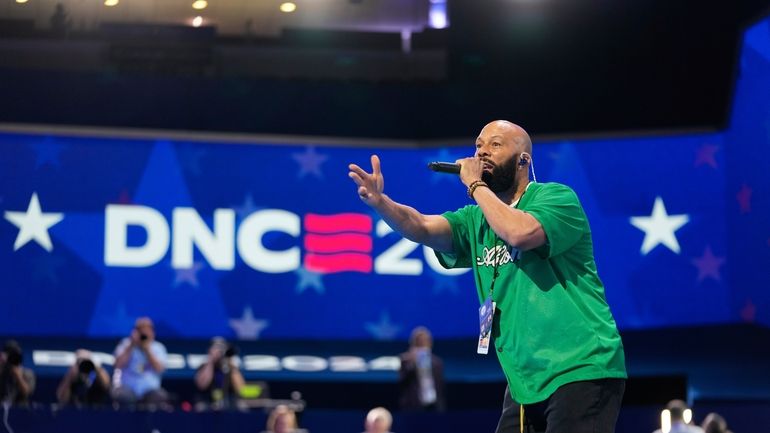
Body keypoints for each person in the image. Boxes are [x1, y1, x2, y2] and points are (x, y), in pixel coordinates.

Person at [348, 120, 627, 433]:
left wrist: (475, 186)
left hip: (580, 366)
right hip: (525, 380)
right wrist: (380, 202)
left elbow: (520, 233)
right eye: (478, 145)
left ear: (524, 160)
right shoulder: (475, 220)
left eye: (495, 145)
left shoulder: (558, 198)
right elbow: (422, 226)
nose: (481, 153)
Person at [111, 317, 169, 406]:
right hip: (128, 388)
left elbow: (159, 369)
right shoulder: (126, 344)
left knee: (159, 396)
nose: (144, 334)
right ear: (135, 332)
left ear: (152, 333)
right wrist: (131, 345)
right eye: (141, 330)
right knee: (122, 396)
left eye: (147, 330)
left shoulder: (158, 348)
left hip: (150, 389)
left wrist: (147, 350)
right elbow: (117, 365)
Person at [398, 326, 446, 412]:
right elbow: (402, 382)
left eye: (424, 341)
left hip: (434, 406)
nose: (422, 345)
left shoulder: (437, 362)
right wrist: (413, 362)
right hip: (412, 407)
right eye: (419, 342)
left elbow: (440, 386)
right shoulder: (405, 361)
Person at [194, 337, 245, 410]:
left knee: (241, 406)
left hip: (229, 402)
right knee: (200, 407)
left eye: (222, 348)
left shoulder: (231, 366)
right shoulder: (204, 366)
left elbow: (241, 389)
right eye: (217, 348)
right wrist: (211, 360)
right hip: (208, 403)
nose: (220, 352)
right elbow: (202, 385)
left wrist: (230, 361)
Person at [0, 340, 35, 406]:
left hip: (20, 410)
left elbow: (27, 392)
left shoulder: (27, 373)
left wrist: (18, 376)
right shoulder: (2, 371)